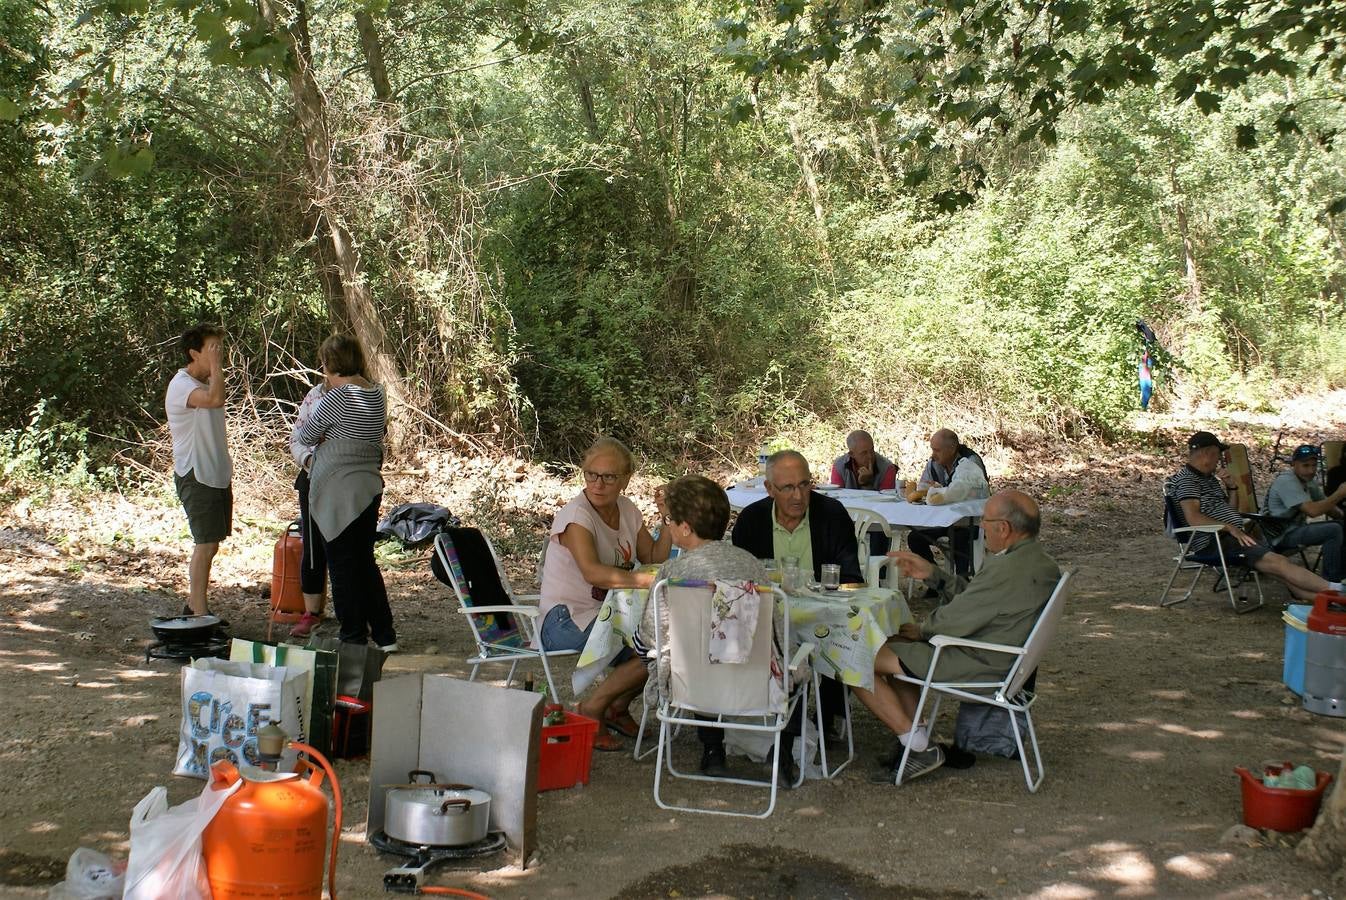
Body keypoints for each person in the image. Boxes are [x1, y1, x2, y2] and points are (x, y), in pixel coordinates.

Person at [861, 490, 1060, 784]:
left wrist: (923, 628)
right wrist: (933, 574)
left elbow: (955, 619)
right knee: (895, 651)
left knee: (857, 660)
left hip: (979, 663)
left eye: (985, 521)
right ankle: (916, 739)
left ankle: (918, 746)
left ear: (1003, 529)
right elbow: (975, 598)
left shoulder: (1007, 569)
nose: (981, 526)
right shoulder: (1039, 562)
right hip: (1005, 662)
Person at [539, 437, 672, 751]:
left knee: (664, 646)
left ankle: (616, 707)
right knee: (654, 645)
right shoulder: (577, 516)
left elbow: (654, 556)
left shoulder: (626, 508)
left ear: (626, 479)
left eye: (609, 477)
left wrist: (666, 518)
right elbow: (593, 573)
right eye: (591, 475)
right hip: (565, 620)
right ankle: (592, 709)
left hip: (611, 615)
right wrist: (646, 581)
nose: (598, 484)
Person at [639, 475, 769, 779]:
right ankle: (782, 754)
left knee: (694, 654)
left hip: (693, 686)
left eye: (669, 519)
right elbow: (773, 633)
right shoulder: (752, 566)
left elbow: (651, 633)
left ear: (685, 527)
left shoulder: (674, 572)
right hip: (754, 681)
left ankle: (713, 749)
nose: (667, 526)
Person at [732, 449, 861, 747]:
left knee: (842, 630)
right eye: (787, 487)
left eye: (804, 484)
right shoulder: (752, 520)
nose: (798, 496)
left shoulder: (831, 514)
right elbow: (740, 580)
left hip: (822, 611)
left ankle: (828, 715)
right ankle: (772, 713)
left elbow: (850, 575)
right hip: (769, 615)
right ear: (769, 489)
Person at [295, 334, 397, 651]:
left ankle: (352, 635)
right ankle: (384, 634)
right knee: (364, 561)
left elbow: (306, 433)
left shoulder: (336, 398)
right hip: (367, 486)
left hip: (337, 489)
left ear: (329, 364)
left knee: (340, 565)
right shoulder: (375, 394)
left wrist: (326, 440)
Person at [1167, 432, 1342, 601]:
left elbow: (1230, 513)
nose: (1219, 460)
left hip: (1227, 537)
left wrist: (1232, 488)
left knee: (1279, 569)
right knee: (1279, 563)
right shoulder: (1187, 480)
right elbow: (1193, 518)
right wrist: (1230, 528)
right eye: (1218, 455)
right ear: (1207, 453)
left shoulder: (1208, 479)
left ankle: (1332, 600)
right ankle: (1338, 591)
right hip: (1215, 541)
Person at [165, 324, 232, 617]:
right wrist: (218, 368)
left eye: (221, 348)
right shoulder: (182, 386)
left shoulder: (206, 383)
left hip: (215, 473)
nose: (219, 355)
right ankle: (200, 615)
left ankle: (195, 604)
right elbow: (216, 400)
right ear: (194, 353)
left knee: (212, 543)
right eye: (213, 349)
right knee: (204, 544)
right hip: (196, 474)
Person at [907, 429, 990, 578]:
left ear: (952, 449)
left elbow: (969, 494)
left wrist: (940, 491)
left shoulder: (969, 464)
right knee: (915, 537)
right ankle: (935, 580)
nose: (933, 454)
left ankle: (962, 582)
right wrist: (930, 490)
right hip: (942, 520)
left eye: (937, 450)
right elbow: (923, 488)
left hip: (970, 521)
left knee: (959, 537)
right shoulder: (934, 463)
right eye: (932, 449)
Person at [1263, 445, 1346, 582]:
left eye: (1314, 466)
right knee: (1334, 530)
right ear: (1294, 464)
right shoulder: (1287, 481)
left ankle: (1342, 574)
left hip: (1295, 529)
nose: (1311, 470)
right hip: (1280, 535)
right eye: (1305, 465)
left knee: (1341, 525)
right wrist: (1339, 494)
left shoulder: (1308, 481)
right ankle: (1332, 582)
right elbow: (1313, 511)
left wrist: (1342, 515)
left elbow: (1328, 507)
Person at [287, 380, 328, 639]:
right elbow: (297, 438)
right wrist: (310, 460)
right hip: (312, 477)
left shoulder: (367, 393)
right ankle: (311, 613)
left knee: (349, 551)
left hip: (348, 482)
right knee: (312, 546)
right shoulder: (314, 395)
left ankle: (359, 614)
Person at [830, 430, 898, 491]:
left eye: (872, 450)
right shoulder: (839, 466)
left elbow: (887, 501)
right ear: (852, 454)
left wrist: (866, 483)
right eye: (864, 453)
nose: (870, 456)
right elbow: (837, 497)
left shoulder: (887, 468)